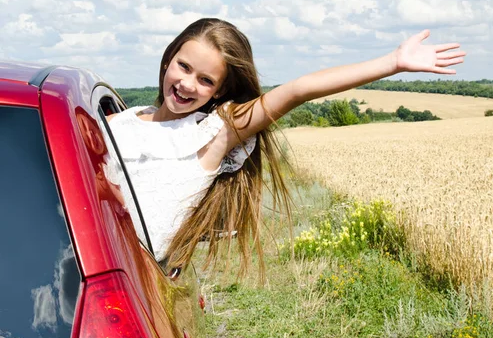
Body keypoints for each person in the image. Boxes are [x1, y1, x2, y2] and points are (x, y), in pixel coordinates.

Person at [107, 18, 465, 277]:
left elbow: (299, 89)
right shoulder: (117, 121)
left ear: (217, 91)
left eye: (205, 80)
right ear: (168, 58)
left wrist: (393, 63)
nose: (187, 84)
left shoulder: (215, 134)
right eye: (183, 66)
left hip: (133, 279)